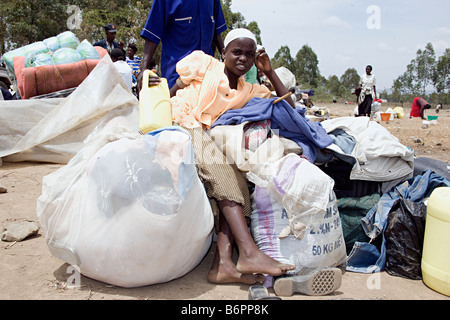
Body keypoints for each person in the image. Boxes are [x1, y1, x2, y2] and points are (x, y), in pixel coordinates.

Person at [147, 28, 296, 284]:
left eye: (249, 55)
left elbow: (289, 106)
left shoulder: (249, 90)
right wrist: (160, 95)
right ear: (223, 52)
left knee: (239, 184)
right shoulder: (205, 64)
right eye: (236, 52)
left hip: (205, 133)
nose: (242, 58)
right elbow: (173, 90)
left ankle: (223, 266)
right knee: (222, 175)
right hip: (181, 121)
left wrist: (268, 72)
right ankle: (249, 253)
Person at [138, 0, 228, 91]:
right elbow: (152, 33)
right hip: (176, 77)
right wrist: (144, 70)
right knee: (175, 103)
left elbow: (217, 33)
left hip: (207, 76)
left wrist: (227, 61)